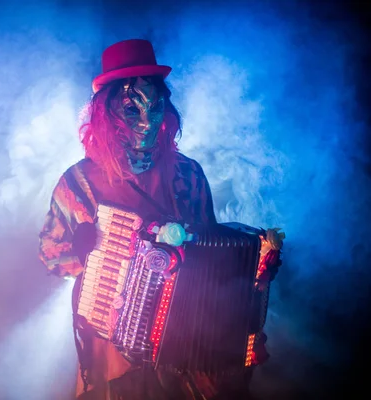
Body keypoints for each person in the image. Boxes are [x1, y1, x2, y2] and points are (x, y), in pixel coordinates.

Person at [38, 39, 269, 400]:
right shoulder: (79, 182)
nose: (147, 121)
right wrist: (86, 252)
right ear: (106, 113)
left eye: (156, 106)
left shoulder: (189, 174)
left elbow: (213, 253)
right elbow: (52, 258)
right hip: (113, 345)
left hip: (186, 338)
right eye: (132, 110)